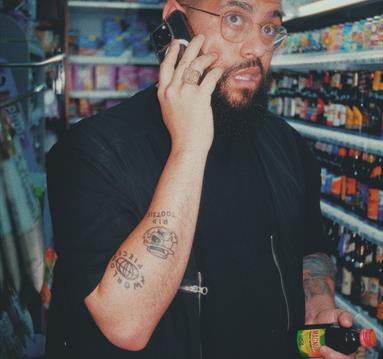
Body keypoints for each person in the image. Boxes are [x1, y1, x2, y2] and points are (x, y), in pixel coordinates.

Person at [46, 0, 355, 358]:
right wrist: (190, 148)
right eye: (235, 19)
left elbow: (308, 248)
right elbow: (126, 324)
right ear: (176, 20)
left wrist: (316, 303)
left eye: (269, 28)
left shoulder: (284, 143)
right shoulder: (93, 150)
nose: (256, 47)